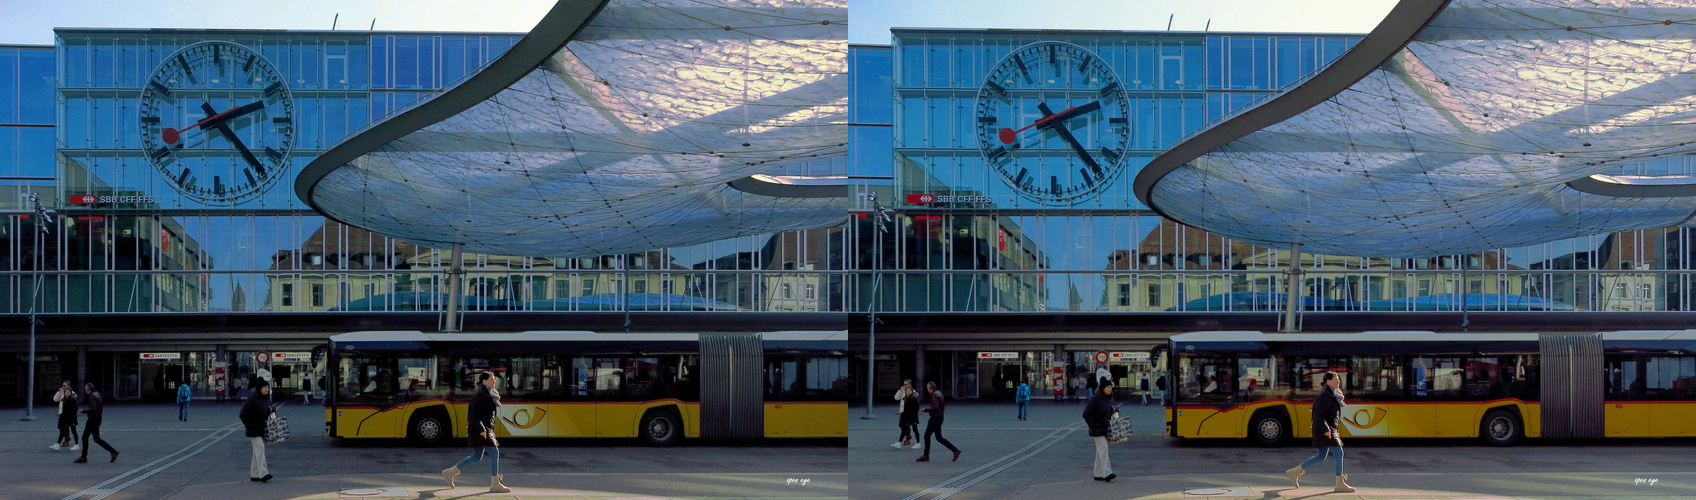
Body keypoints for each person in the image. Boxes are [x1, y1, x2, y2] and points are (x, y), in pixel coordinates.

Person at [1285, 372, 1355, 492]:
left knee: (1321, 456)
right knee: (1339, 452)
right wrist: (1326, 430)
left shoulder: (1331, 393)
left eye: (1338, 380)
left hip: (1326, 428)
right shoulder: (1325, 394)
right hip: (1326, 429)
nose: (1339, 382)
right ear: (1328, 381)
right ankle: (1339, 483)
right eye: (1336, 380)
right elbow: (1318, 415)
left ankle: (1294, 472)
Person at [442, 371, 511, 493]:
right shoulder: (481, 394)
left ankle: (450, 472)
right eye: (492, 379)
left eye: (494, 379)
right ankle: (495, 483)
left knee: (476, 456)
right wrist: (482, 430)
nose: (494, 381)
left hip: (483, 428)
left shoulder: (488, 392)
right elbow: (474, 415)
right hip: (482, 429)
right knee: (494, 452)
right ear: (484, 381)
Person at [240, 379, 275, 483]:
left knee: (257, 450)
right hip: (253, 428)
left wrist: (271, 410)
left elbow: (265, 410)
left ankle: (254, 474)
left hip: (261, 428)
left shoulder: (266, 399)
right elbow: (242, 414)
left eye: (267, 387)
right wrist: (249, 425)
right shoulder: (252, 399)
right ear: (259, 388)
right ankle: (263, 473)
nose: (266, 389)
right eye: (264, 387)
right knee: (260, 447)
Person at [74, 383, 118, 464]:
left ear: (88, 389)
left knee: (86, 437)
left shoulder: (92, 396)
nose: (85, 390)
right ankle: (113, 451)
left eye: (86, 389)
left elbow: (93, 408)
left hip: (93, 419)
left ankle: (84, 457)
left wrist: (83, 411)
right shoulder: (97, 394)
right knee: (96, 438)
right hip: (97, 418)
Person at [1082, 383, 1117, 482]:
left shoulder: (1109, 399)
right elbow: (1085, 413)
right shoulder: (1095, 400)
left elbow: (1108, 412)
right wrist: (1092, 425)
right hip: (1096, 429)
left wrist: (1114, 409)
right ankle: (1107, 473)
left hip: (1104, 428)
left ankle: (1097, 473)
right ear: (1102, 389)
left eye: (1110, 387)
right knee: (1103, 447)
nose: (1110, 389)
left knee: (1100, 451)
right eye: (1107, 387)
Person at [916, 381, 959, 462]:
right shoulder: (939, 393)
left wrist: (925, 409)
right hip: (937, 417)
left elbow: (935, 407)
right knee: (927, 436)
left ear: (929, 388)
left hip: (936, 418)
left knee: (938, 437)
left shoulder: (934, 395)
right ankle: (926, 455)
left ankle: (955, 450)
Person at [51, 381, 80, 451]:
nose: (63, 387)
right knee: (61, 429)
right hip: (63, 416)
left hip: (70, 417)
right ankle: (58, 443)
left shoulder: (72, 397)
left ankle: (75, 443)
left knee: (73, 430)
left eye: (65, 386)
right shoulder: (63, 397)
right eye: (63, 386)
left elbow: (74, 409)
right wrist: (59, 392)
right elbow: (55, 399)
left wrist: (71, 416)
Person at [892, 380, 920, 448]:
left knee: (914, 429)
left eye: (906, 384)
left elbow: (916, 408)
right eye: (904, 384)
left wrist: (912, 416)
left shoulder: (913, 396)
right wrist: (900, 391)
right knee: (902, 426)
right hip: (904, 413)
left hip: (911, 416)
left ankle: (916, 442)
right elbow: (896, 398)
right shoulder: (904, 394)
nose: (904, 386)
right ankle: (900, 442)